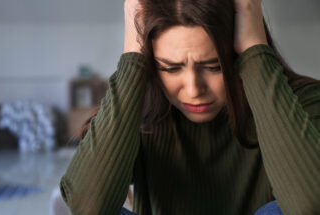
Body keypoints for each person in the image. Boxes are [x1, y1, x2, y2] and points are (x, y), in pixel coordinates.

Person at [60, 0, 320, 214]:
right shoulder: (139, 111)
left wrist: (256, 51)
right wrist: (133, 55)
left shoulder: (301, 100)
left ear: (240, 55)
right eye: (170, 68)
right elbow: (88, 206)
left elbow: (309, 205)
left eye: (214, 66)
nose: (194, 90)